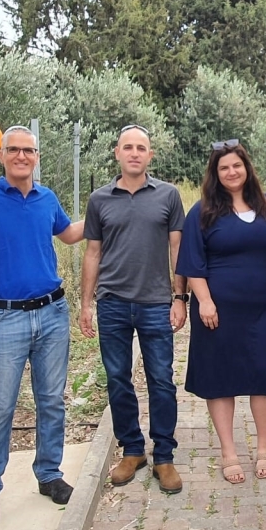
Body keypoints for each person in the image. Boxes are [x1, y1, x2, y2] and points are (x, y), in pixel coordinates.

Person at [0, 125, 85, 526]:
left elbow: (68, 235)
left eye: (28, 150)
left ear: (37, 156)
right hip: (3, 317)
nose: (21, 156)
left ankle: (49, 475)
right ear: (0, 155)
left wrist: (106, 211)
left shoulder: (46, 198)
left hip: (52, 313)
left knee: (51, 401)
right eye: (14, 150)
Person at [79, 124, 187, 495]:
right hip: (112, 303)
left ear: (150, 155)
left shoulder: (168, 195)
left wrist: (180, 297)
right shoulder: (99, 199)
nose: (135, 153)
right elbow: (92, 252)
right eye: (128, 147)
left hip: (155, 303)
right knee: (117, 378)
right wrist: (86, 304)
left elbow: (178, 249)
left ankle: (164, 455)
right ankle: (132, 449)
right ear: (117, 153)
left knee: (161, 380)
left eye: (141, 148)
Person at [176, 140, 266, 485]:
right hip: (216, 311)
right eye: (224, 168)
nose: (232, 172)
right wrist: (204, 300)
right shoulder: (203, 211)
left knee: (264, 376)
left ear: (247, 168)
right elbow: (191, 261)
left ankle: (264, 447)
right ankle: (228, 452)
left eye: (237, 165)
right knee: (220, 379)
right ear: (215, 174)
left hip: (263, 309)